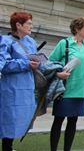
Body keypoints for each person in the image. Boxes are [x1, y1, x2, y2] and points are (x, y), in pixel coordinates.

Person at [48, 17, 84, 151]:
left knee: (73, 122)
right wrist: (58, 74)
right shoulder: (65, 43)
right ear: (76, 29)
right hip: (65, 89)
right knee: (58, 120)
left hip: (80, 90)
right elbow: (50, 63)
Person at [0, 12, 38, 151]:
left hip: (27, 87)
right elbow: (4, 65)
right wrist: (26, 64)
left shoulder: (31, 42)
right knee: (8, 119)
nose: (31, 27)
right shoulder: (5, 41)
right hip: (11, 88)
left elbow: (36, 60)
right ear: (18, 25)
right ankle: (7, 147)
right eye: (28, 23)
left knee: (20, 119)